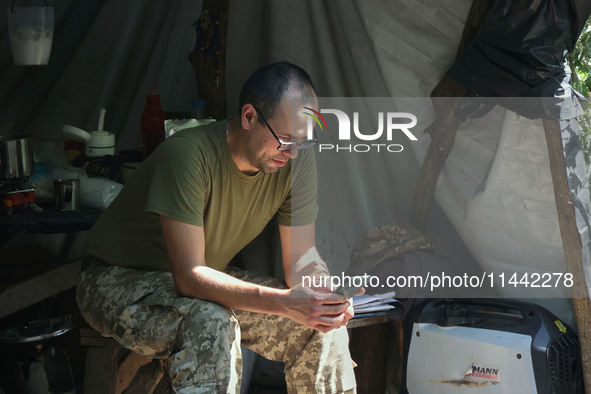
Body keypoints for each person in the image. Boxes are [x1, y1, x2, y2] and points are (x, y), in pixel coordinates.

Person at [76, 62, 358, 394]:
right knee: (210, 323)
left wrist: (320, 294)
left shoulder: (296, 161)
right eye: (284, 139)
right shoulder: (187, 155)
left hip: (205, 280)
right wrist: (284, 301)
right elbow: (189, 276)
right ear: (249, 116)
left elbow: (301, 256)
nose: (293, 153)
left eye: (303, 142)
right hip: (116, 279)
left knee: (322, 327)